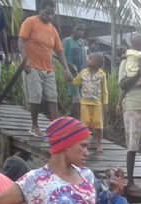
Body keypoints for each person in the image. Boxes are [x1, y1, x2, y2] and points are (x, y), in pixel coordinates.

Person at [19, 0, 72, 137]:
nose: (49, 16)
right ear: (41, 9)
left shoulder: (52, 29)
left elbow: (59, 51)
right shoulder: (30, 22)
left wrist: (66, 69)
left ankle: (55, 127)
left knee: (52, 97)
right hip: (33, 66)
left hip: (48, 69)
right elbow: (21, 41)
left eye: (52, 14)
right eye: (47, 13)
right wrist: (25, 61)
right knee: (35, 96)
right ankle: (34, 125)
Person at [118, 32, 141, 191]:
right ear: (137, 47)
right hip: (132, 107)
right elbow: (123, 84)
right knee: (132, 145)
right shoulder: (126, 63)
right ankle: (131, 181)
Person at [72, 52, 108, 154]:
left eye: (90, 59)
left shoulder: (102, 75)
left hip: (97, 104)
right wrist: (71, 80)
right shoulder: (83, 72)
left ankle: (99, 143)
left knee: (98, 124)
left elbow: (104, 90)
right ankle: (84, 144)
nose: (87, 60)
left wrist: (105, 103)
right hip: (84, 103)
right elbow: (76, 82)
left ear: (96, 63)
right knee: (84, 123)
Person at [117, 33, 141, 116]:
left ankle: (119, 104)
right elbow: (123, 84)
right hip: (133, 109)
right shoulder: (126, 62)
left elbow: (123, 55)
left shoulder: (132, 55)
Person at [62, 22, 87, 118]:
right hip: (71, 74)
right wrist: (68, 67)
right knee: (76, 100)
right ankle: (75, 123)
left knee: (81, 101)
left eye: (82, 30)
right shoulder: (67, 41)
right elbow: (60, 56)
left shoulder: (82, 43)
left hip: (82, 74)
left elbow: (84, 58)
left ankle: (69, 120)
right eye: (78, 29)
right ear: (73, 29)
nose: (81, 32)